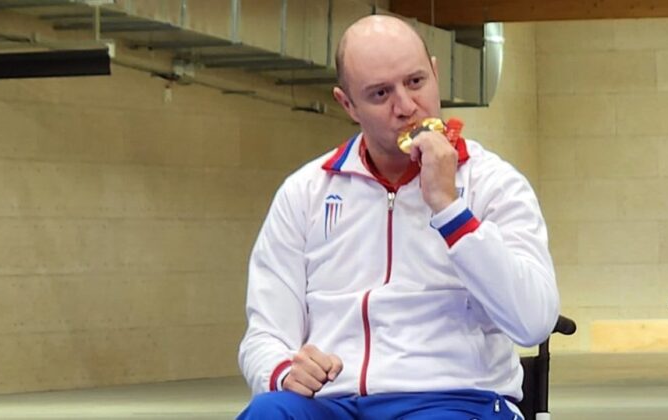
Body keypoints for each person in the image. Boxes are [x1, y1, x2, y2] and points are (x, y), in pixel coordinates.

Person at [237, 14, 559, 420]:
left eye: (416, 82)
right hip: (334, 402)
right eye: (380, 93)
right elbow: (265, 334)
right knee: (270, 412)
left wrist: (450, 210)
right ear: (347, 104)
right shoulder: (305, 192)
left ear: (436, 74)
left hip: (454, 400)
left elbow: (534, 322)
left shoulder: (494, 183)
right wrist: (284, 372)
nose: (406, 107)